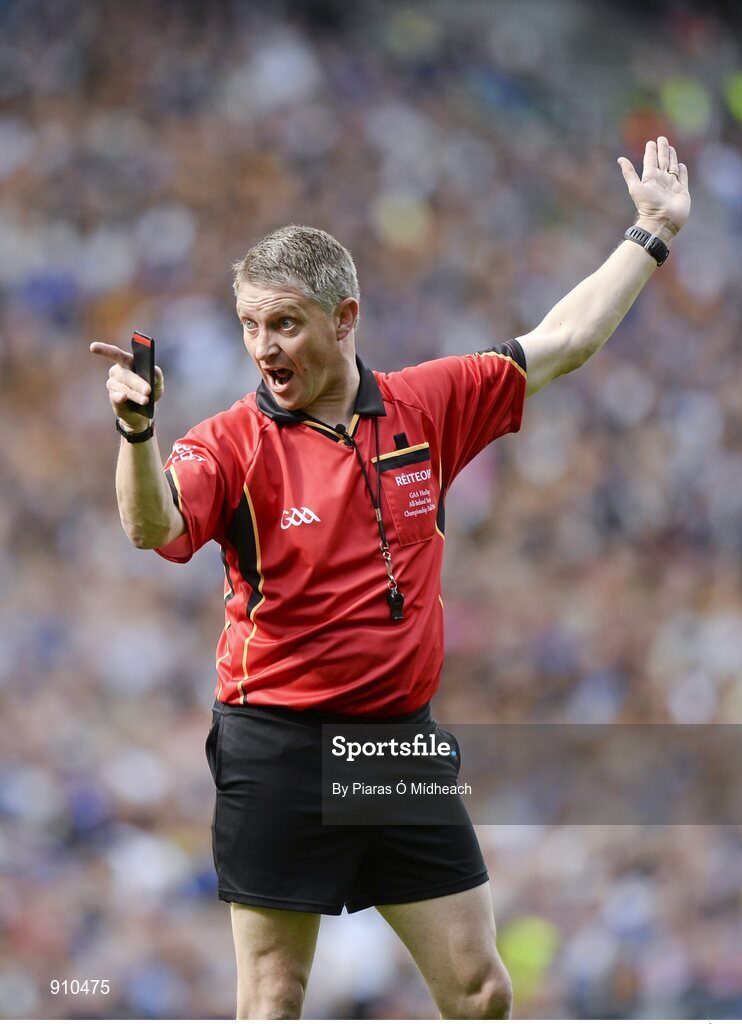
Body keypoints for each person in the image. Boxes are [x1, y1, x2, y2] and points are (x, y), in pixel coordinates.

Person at [91, 137, 690, 1020]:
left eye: (284, 323)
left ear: (345, 317)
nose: (264, 346)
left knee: (482, 991)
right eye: (251, 325)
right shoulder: (228, 443)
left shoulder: (425, 404)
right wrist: (136, 437)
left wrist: (650, 234)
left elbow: (562, 343)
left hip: (392, 743)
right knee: (274, 998)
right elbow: (152, 524)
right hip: (278, 744)